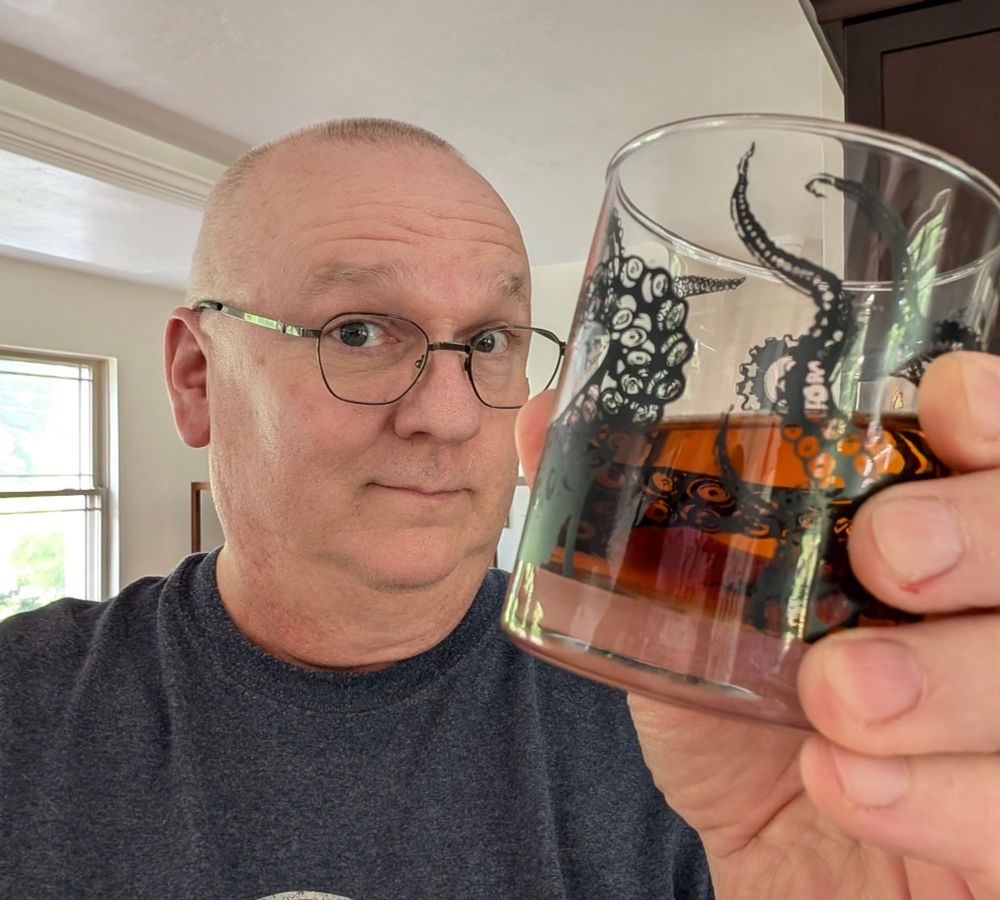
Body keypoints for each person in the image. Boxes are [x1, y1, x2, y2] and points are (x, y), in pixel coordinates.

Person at [0, 117, 997, 899]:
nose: (444, 414)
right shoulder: (23, 708)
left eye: (487, 342)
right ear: (193, 378)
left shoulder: (714, 721)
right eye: (357, 330)